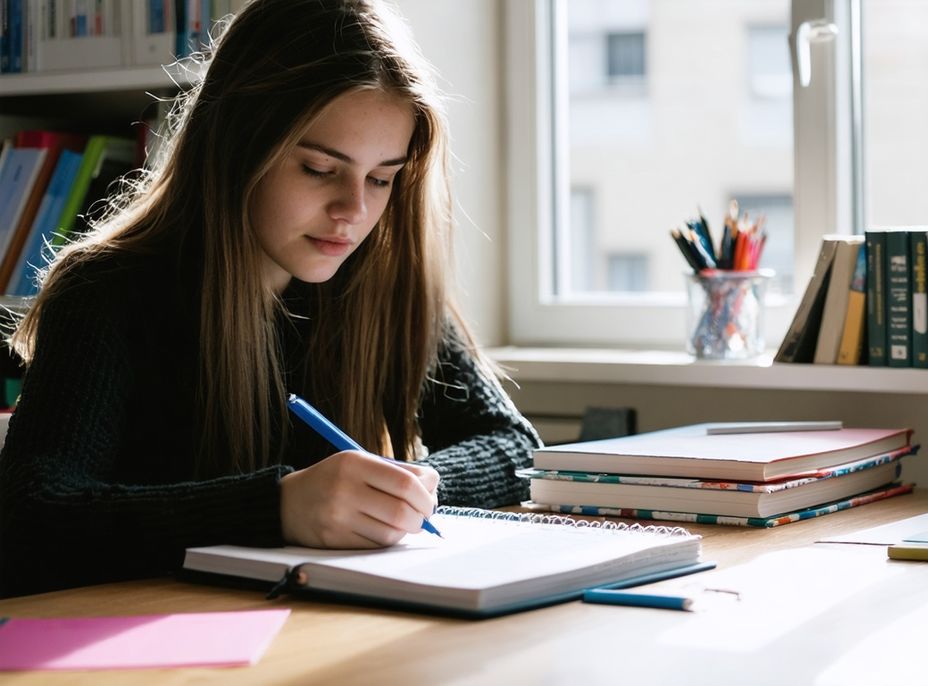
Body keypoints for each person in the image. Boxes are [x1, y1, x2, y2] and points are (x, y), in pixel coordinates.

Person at [0, 0, 540, 598]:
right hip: (150, 641)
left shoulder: (380, 281)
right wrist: (277, 507)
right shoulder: (107, 291)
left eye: (381, 178)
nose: (353, 212)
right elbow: (32, 511)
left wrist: (407, 491)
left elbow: (514, 445)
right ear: (237, 144)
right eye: (317, 169)